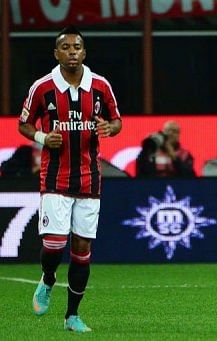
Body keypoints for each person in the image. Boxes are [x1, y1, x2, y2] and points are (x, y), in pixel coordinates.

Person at [18, 26, 122, 333]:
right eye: (66, 47)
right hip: (54, 177)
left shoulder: (100, 86)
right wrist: (40, 136)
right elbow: (23, 124)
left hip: (89, 179)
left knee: (81, 248)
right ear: (57, 53)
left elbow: (117, 121)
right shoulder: (43, 87)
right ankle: (48, 279)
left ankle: (72, 316)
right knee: (54, 244)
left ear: (84, 52)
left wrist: (110, 128)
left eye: (77, 47)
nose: (73, 52)